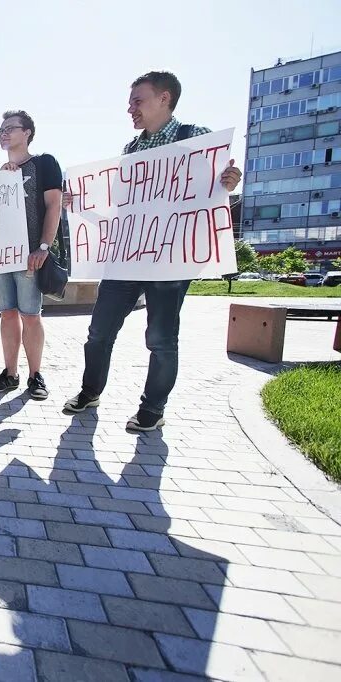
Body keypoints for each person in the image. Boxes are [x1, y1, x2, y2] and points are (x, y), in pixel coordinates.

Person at [62, 71, 241, 431]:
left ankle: (153, 409)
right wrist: (80, 202)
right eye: (130, 102)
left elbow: (220, 186)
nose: (131, 109)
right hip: (127, 257)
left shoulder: (197, 139)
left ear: (164, 98)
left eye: (137, 101)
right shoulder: (131, 149)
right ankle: (90, 391)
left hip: (170, 261)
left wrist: (230, 181)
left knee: (160, 338)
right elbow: (120, 204)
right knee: (99, 331)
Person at [0, 111, 62, 400]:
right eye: (0, 130)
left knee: (30, 315)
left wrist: (43, 247)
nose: (3, 134)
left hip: (30, 254)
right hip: (1, 256)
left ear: (27, 132)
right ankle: (10, 373)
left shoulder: (44, 164)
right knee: (7, 314)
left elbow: (54, 206)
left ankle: (35, 375)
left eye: (10, 128)